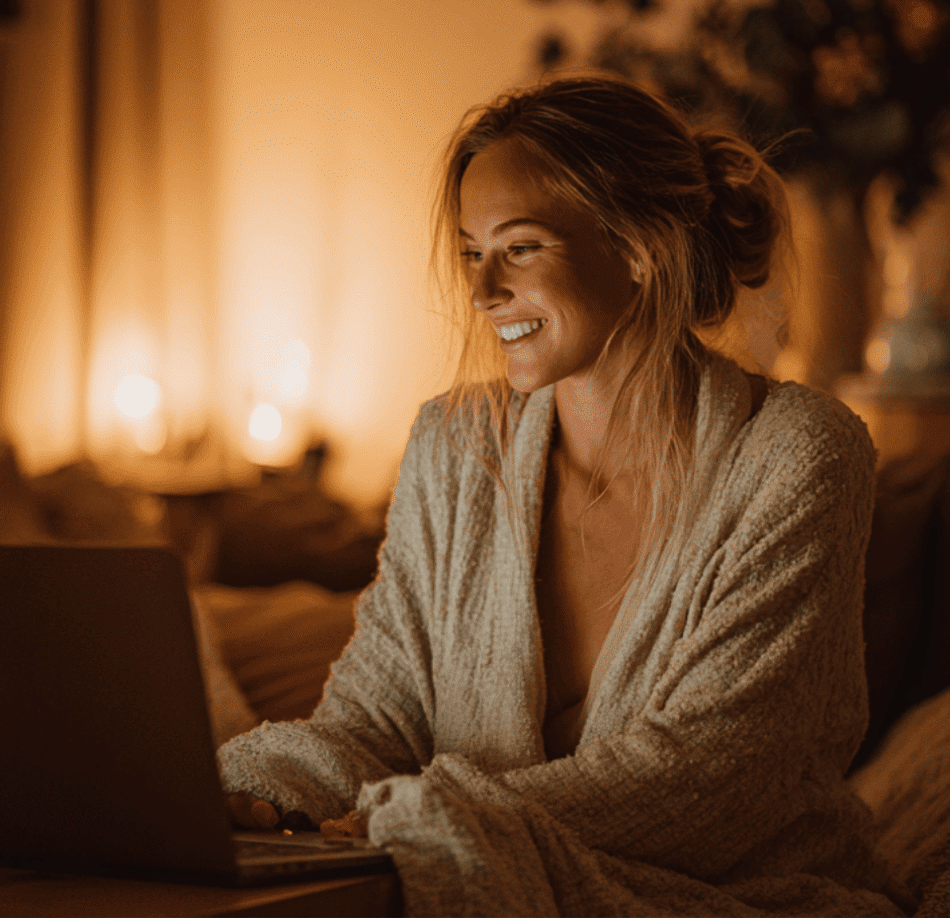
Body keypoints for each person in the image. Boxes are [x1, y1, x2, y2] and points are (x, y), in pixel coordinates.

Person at [218, 75, 904, 915]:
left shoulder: (798, 455)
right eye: (473, 252)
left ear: (640, 249)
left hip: (742, 898)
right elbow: (374, 722)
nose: (482, 292)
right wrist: (233, 786)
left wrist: (410, 825)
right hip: (489, 873)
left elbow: (718, 771)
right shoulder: (456, 444)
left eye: (521, 247)